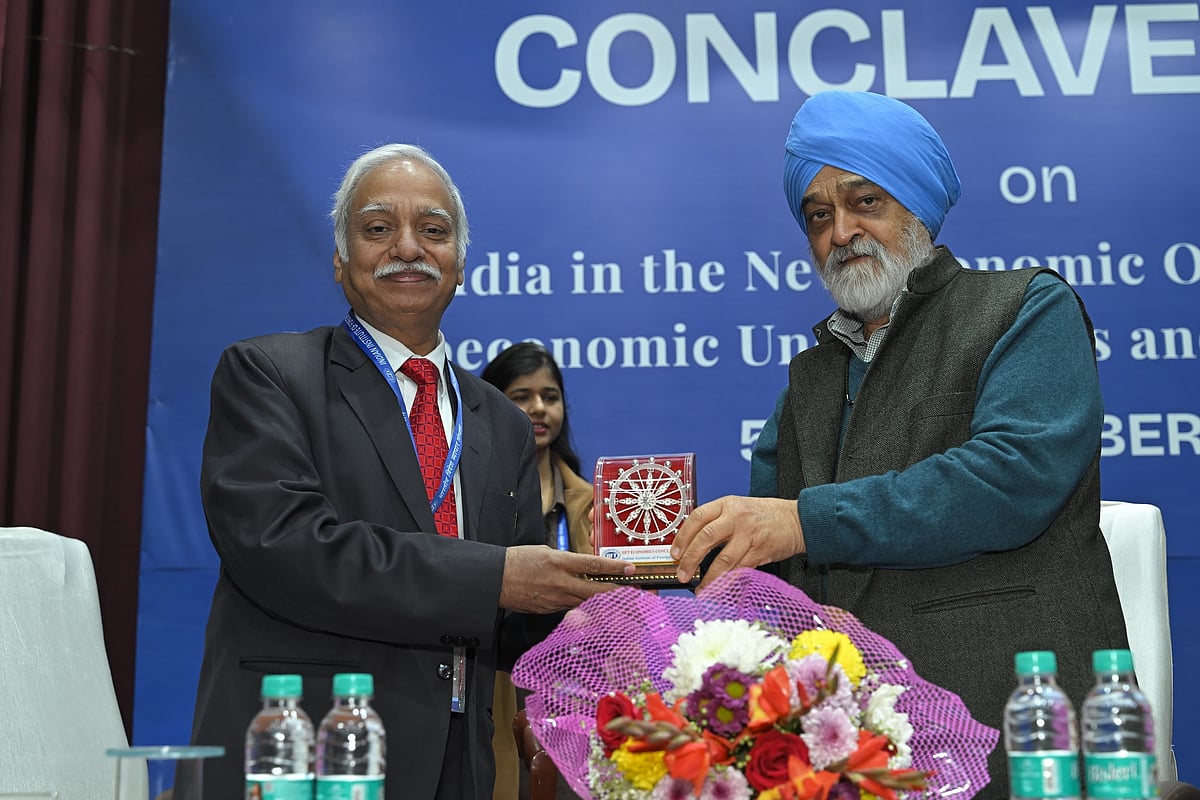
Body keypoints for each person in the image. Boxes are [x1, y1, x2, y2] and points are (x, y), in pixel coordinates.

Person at [670, 91, 1128, 794]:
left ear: (916, 207)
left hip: (1012, 737)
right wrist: (667, 574)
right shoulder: (812, 377)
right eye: (819, 215)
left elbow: (1010, 480)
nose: (842, 231)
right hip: (852, 752)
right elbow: (765, 559)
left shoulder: (1025, 307)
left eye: (866, 202)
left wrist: (803, 522)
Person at [188, 143, 633, 800]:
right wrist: (502, 576)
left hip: (458, 763)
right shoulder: (269, 375)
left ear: (459, 266)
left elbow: (501, 619)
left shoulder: (500, 421)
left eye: (433, 230)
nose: (407, 246)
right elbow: (282, 546)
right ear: (341, 261)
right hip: (309, 752)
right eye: (377, 228)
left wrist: (587, 591)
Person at [481, 342, 593, 800]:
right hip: (495, 687)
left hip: (577, 692)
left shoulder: (594, 504)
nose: (539, 408)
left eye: (550, 395)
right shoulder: (472, 501)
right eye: (521, 396)